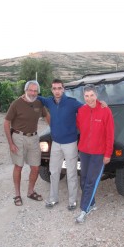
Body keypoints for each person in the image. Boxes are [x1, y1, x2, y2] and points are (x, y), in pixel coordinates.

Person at [38, 79, 107, 211]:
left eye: (59, 88)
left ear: (63, 89)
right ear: (52, 90)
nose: (57, 91)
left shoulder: (72, 103)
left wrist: (101, 103)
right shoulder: (49, 101)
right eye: (54, 88)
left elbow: (89, 105)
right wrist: (26, 95)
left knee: (71, 173)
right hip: (56, 144)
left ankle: (72, 201)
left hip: (70, 143)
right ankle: (53, 198)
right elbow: (37, 97)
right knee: (54, 172)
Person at [4, 80, 50, 206]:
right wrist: (10, 143)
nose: (33, 93)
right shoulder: (16, 103)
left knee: (35, 167)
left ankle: (30, 192)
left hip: (34, 138)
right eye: (31, 90)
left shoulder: (39, 103)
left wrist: (55, 131)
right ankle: (17, 195)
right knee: (18, 166)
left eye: (35, 91)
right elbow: (6, 122)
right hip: (18, 137)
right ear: (25, 90)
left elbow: (47, 116)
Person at [75, 84, 114, 224]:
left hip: (99, 153)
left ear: (96, 96)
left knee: (91, 181)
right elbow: (80, 127)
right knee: (84, 180)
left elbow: (110, 134)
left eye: (92, 95)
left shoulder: (105, 111)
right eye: (86, 96)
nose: (89, 98)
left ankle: (84, 210)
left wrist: (107, 154)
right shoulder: (81, 111)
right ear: (83, 96)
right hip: (84, 152)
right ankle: (92, 203)